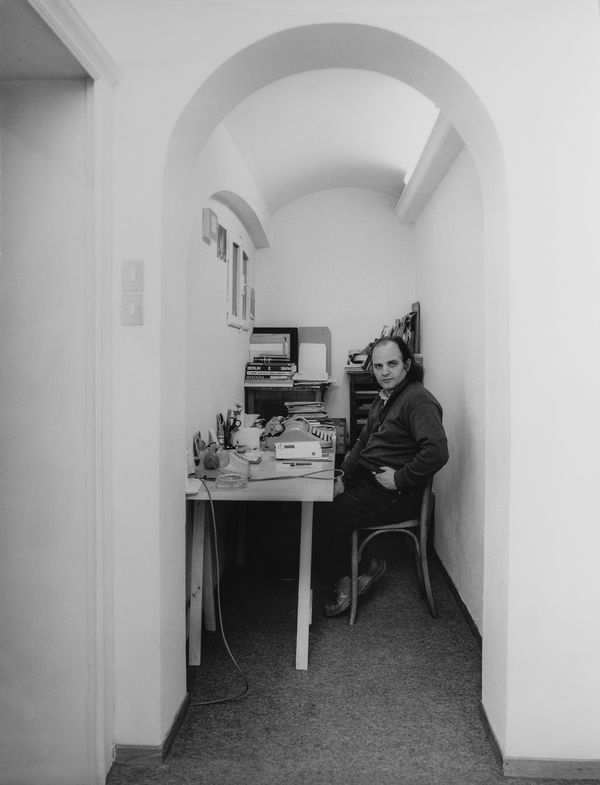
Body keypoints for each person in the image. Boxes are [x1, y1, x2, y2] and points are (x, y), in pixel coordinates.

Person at [316, 336, 449, 617]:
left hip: (394, 492)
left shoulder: (418, 401)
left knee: (327, 513)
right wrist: (341, 476)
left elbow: (437, 452)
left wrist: (400, 478)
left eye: (392, 364)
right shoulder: (384, 397)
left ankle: (350, 577)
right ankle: (363, 566)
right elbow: (362, 443)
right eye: (378, 366)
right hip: (367, 480)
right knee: (317, 496)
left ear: (407, 365)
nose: (384, 372)